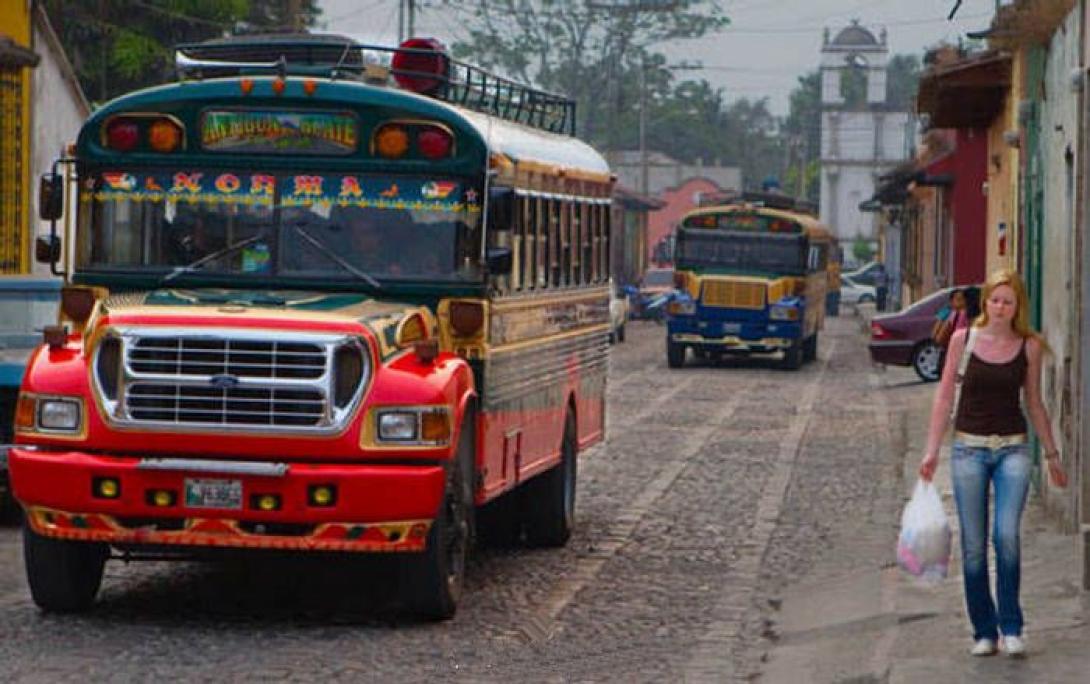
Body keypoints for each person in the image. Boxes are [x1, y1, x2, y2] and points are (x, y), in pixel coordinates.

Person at [918, 268, 1068, 658]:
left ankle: (1012, 626)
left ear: (1018, 307)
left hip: (1013, 450)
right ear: (985, 302)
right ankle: (984, 630)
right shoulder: (962, 340)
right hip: (968, 449)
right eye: (994, 300)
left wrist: (1051, 454)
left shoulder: (1029, 347)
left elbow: (1035, 403)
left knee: (1005, 536)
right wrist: (931, 451)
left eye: (1008, 301)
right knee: (972, 545)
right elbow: (943, 397)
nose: (1000, 307)